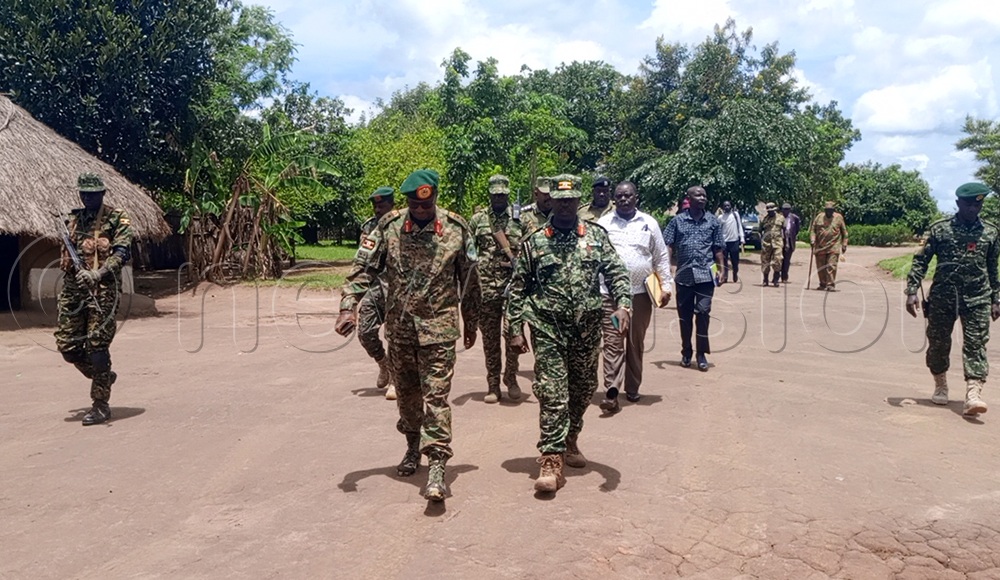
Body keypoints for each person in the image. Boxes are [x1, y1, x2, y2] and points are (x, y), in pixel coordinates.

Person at [336, 169, 480, 502]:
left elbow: (470, 282)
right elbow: (362, 269)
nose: (420, 211)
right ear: (407, 202)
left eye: (425, 206)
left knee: (436, 398)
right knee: (407, 397)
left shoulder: (457, 229)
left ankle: (437, 466)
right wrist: (348, 306)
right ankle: (412, 447)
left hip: (439, 330)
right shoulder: (387, 228)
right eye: (414, 205)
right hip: (400, 329)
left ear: (436, 198)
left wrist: (470, 321)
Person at [507, 174, 631, 493]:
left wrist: (623, 306)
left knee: (583, 388)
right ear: (551, 201)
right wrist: (515, 329)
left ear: (578, 201)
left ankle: (570, 438)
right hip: (548, 327)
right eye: (560, 201)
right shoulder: (535, 240)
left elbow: (617, 273)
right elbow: (518, 289)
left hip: (586, 329)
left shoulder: (596, 236)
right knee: (552, 391)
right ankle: (551, 459)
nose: (565, 206)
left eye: (570, 200)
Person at [906, 183, 1000, 417]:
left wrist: (996, 298)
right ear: (958, 204)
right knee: (938, 343)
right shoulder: (939, 229)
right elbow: (920, 261)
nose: (973, 208)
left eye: (977, 204)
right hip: (943, 297)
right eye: (968, 204)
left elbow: (992, 267)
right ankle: (940, 384)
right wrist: (911, 290)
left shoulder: (990, 232)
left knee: (976, 345)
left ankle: (973, 393)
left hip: (978, 296)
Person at [55, 173, 134, 426]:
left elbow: (122, 253)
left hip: (103, 290)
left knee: (97, 347)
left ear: (102, 193)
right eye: (84, 193)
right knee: (68, 348)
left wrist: (97, 273)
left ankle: (100, 404)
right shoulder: (74, 220)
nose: (88, 198)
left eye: (93, 193)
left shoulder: (116, 219)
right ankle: (103, 376)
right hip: (73, 289)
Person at [597, 181, 673, 414]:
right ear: (614, 199)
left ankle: (632, 386)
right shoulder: (603, 223)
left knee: (634, 342)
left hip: (640, 294)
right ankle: (611, 390)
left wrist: (666, 286)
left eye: (628, 195)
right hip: (609, 293)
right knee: (612, 341)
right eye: (619, 196)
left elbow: (660, 256)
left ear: (636, 198)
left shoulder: (648, 223)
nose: (623, 199)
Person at [469, 174, 523, 404]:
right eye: (495, 194)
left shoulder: (520, 219)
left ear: (508, 194)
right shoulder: (478, 219)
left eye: (503, 194)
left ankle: (510, 377)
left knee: (513, 335)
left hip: (513, 288)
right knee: (490, 340)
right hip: (486, 288)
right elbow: (469, 251)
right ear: (489, 194)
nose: (499, 198)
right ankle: (493, 384)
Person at [663, 186, 726, 371]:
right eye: (698, 195)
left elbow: (719, 249)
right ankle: (686, 351)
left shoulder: (713, 222)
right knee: (685, 317)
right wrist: (666, 264)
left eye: (704, 195)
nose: (702, 198)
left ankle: (701, 353)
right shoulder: (677, 221)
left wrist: (722, 270)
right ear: (689, 198)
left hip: (706, 276)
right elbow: (668, 244)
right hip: (684, 277)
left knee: (703, 313)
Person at [356, 186, 397, 400]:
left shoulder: (400, 226)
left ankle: (395, 382)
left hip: (396, 289)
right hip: (374, 288)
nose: (378, 209)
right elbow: (362, 261)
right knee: (365, 332)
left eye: (382, 205)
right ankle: (384, 364)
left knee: (394, 336)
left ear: (392, 204)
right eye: (375, 205)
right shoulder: (369, 227)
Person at [809, 201, 849, 291]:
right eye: (827, 210)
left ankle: (830, 284)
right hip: (820, 246)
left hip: (833, 246)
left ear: (834, 210)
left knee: (831, 266)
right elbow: (813, 230)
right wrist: (812, 240)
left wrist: (844, 244)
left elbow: (844, 232)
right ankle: (822, 283)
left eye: (831, 210)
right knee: (821, 267)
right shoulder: (819, 217)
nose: (829, 212)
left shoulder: (839, 218)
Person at [717, 200, 744, 283]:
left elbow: (739, 226)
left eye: (728, 205)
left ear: (731, 207)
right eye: (725, 206)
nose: (727, 207)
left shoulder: (735, 215)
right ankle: (725, 276)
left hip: (734, 241)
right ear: (722, 208)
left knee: (735, 260)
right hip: (724, 242)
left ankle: (735, 272)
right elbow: (718, 230)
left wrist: (742, 238)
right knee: (724, 260)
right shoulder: (720, 218)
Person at [759, 202, 785, 287]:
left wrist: (786, 242)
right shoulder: (764, 219)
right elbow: (760, 230)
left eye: (772, 210)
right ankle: (765, 280)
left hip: (777, 243)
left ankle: (776, 279)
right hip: (766, 244)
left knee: (778, 260)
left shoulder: (781, 218)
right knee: (765, 262)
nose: (770, 212)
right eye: (768, 210)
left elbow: (785, 230)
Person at [780, 202, 801, 284]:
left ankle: (784, 276)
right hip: (780, 240)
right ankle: (777, 276)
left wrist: (791, 236)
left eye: (787, 210)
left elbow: (797, 229)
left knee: (786, 260)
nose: (786, 211)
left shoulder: (795, 218)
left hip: (789, 241)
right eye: (784, 210)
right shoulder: (779, 218)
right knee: (778, 259)